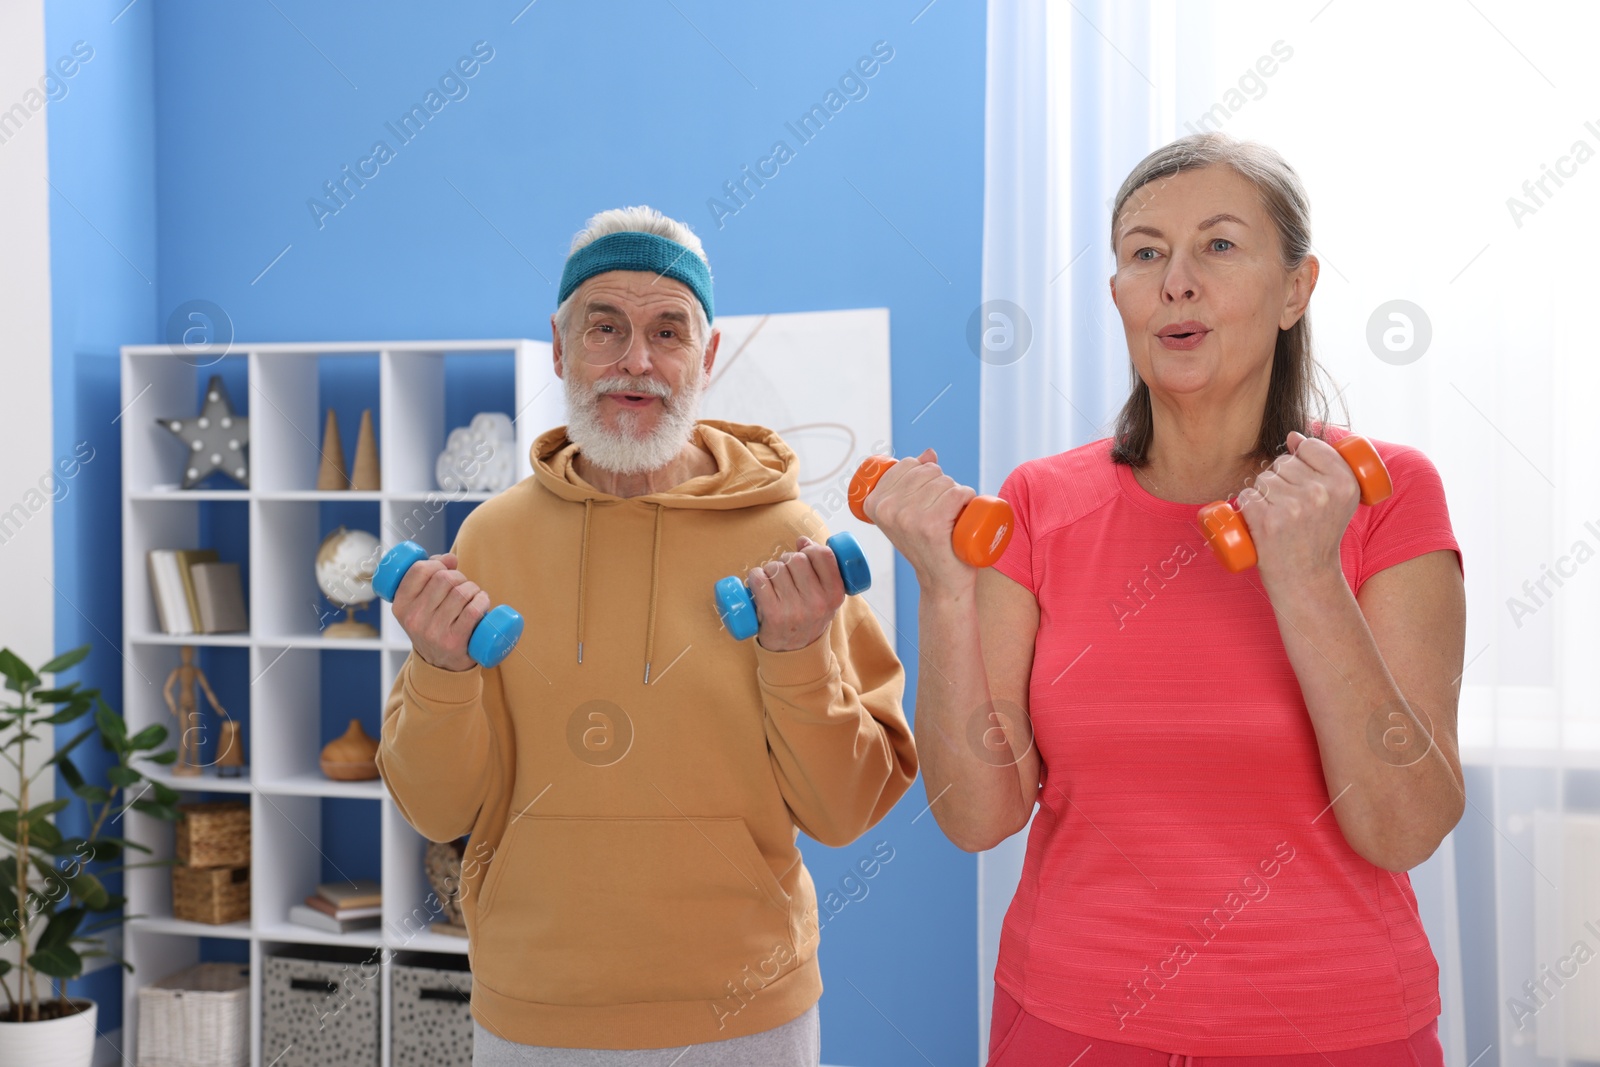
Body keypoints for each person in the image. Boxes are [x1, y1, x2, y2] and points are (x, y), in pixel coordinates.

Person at [864, 134, 1464, 1065]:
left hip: (1336, 1027)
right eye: (1146, 253)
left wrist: (1305, 576)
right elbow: (979, 816)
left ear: (1297, 288)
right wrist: (944, 590)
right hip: (1070, 1023)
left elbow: (1406, 824)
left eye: (1219, 246)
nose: (1176, 281)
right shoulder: (1039, 502)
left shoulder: (1384, 493)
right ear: (1120, 297)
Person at [374, 206, 916, 1067]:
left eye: (669, 330)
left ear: (707, 355)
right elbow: (437, 809)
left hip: (747, 1010)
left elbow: (846, 810)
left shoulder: (792, 539)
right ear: (559, 348)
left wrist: (798, 656)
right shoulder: (488, 541)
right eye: (605, 328)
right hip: (533, 1009)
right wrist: (441, 670)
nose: (636, 360)